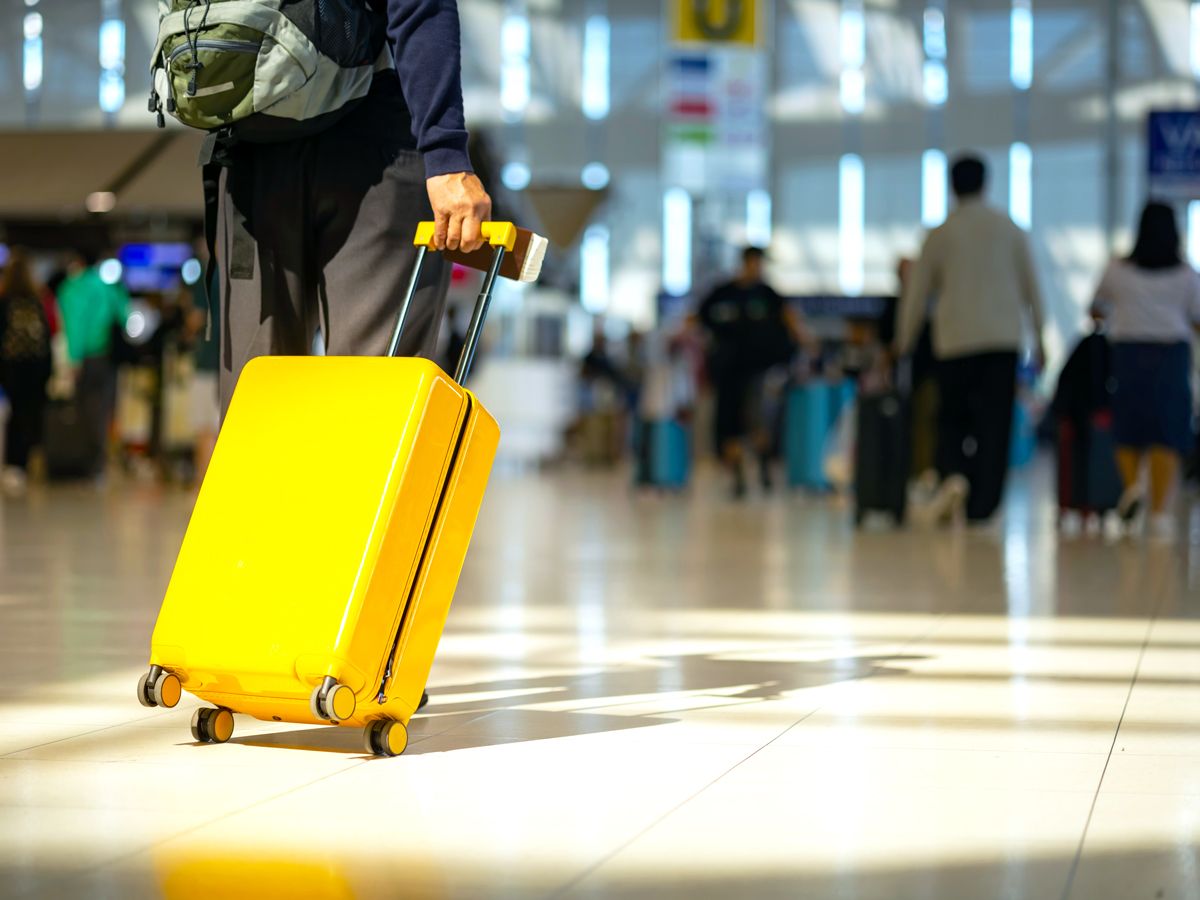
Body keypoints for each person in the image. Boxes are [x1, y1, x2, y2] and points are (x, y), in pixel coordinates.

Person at [213, 0, 491, 416]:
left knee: (257, 410)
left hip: (247, 142)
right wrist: (445, 152)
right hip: (370, 139)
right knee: (374, 404)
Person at [895, 155, 1046, 524]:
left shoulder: (940, 233)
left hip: (955, 340)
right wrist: (1040, 339)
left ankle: (956, 478)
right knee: (995, 424)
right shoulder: (1009, 228)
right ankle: (985, 505)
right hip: (1001, 340)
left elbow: (917, 293)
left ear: (951, 186)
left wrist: (903, 341)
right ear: (986, 183)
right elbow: (1032, 288)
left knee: (953, 418)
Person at [1091, 201, 1200, 542]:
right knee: (1166, 429)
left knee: (1129, 424)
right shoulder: (1187, 275)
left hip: (1128, 352)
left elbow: (1095, 308)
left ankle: (1132, 487)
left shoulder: (1117, 270)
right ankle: (1158, 512)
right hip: (1171, 353)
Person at [695, 247, 804, 498]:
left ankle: (763, 465)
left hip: (759, 370)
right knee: (729, 425)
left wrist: (801, 339)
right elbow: (698, 319)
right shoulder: (722, 293)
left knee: (758, 420)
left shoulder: (767, 294)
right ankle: (737, 477)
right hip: (729, 372)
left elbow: (790, 319)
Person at [53, 252, 130, 478]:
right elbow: (124, 315)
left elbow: (73, 325)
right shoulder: (107, 286)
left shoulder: (71, 288)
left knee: (81, 409)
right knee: (103, 409)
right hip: (105, 357)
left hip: (83, 358)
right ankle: (99, 463)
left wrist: (73, 359)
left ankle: (83, 461)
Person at [0, 250, 53, 494]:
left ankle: (13, 465)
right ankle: (28, 461)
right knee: (30, 414)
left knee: (14, 415)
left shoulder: (4, 301)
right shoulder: (36, 301)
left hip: (12, 368)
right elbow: (48, 337)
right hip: (36, 367)